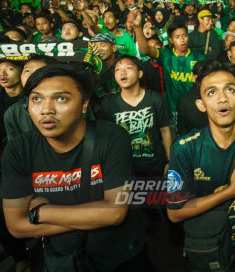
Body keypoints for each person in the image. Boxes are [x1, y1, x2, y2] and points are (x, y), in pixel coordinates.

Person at [1, 65, 149, 271]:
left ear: (84, 104)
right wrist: (97, 214)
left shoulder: (111, 138)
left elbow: (115, 213)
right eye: (36, 99)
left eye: (61, 98)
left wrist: (41, 213)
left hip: (120, 255)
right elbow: (16, 227)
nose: (46, 109)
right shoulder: (19, 150)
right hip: (65, 258)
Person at [166, 60, 235, 270]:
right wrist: (232, 191)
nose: (222, 98)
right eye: (211, 92)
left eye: (230, 89)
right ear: (200, 104)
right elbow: (175, 212)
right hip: (208, 248)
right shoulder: (184, 149)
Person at [100, 54, 172, 177]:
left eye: (128, 68)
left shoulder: (155, 99)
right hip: (124, 168)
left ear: (140, 73)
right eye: (118, 69)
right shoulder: (109, 105)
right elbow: (106, 140)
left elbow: (165, 131)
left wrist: (171, 161)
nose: (122, 73)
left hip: (155, 165)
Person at [137, 21, 205, 136]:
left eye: (184, 35)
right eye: (177, 37)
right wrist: (137, 27)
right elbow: (145, 50)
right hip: (172, 108)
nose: (182, 40)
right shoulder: (166, 55)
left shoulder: (199, 56)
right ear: (171, 40)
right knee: (175, 140)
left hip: (194, 107)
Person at [3, 54, 58, 142]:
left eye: (39, 71)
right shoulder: (13, 113)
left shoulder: (71, 104)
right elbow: (15, 150)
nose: (31, 76)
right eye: (27, 71)